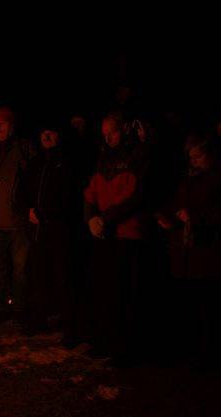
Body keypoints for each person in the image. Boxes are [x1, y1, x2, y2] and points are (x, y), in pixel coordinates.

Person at [156, 136, 221, 365]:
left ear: (210, 153)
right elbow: (178, 204)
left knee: (209, 306)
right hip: (187, 254)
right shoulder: (189, 179)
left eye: (198, 155)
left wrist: (197, 218)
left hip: (209, 253)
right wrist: (168, 217)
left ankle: (212, 354)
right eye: (191, 156)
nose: (194, 160)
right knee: (190, 303)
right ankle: (192, 351)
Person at [84, 115, 150, 363]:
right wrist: (90, 217)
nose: (108, 137)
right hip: (104, 233)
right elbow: (91, 191)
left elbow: (134, 196)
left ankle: (124, 347)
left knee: (123, 292)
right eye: (104, 134)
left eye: (111, 132)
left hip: (126, 233)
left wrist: (105, 218)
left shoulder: (136, 156)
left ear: (123, 130)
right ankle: (105, 341)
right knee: (104, 290)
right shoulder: (104, 157)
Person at [20, 125, 80, 342]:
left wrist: (45, 214)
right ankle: (39, 320)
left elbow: (68, 197)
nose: (46, 135)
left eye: (52, 132)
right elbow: (24, 191)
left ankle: (70, 327)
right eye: (43, 131)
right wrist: (28, 210)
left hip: (59, 231)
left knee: (63, 278)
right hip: (37, 231)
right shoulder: (36, 163)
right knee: (38, 276)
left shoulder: (66, 163)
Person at [0, 107, 35, 321]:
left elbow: (31, 178)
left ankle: (20, 307)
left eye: (2, 123)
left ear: (11, 126)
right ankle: (1, 306)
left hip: (16, 219)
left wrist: (28, 207)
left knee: (20, 267)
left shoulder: (23, 149)